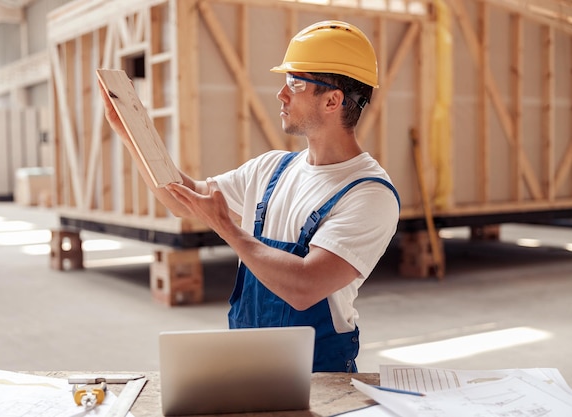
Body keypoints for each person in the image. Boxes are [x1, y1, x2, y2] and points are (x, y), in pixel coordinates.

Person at [100, 20, 400, 372]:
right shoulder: (271, 169)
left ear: (332, 100)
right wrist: (132, 134)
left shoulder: (369, 194)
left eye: (295, 82)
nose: (281, 94)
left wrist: (228, 229)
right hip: (245, 360)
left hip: (318, 376)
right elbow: (183, 198)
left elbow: (304, 285)